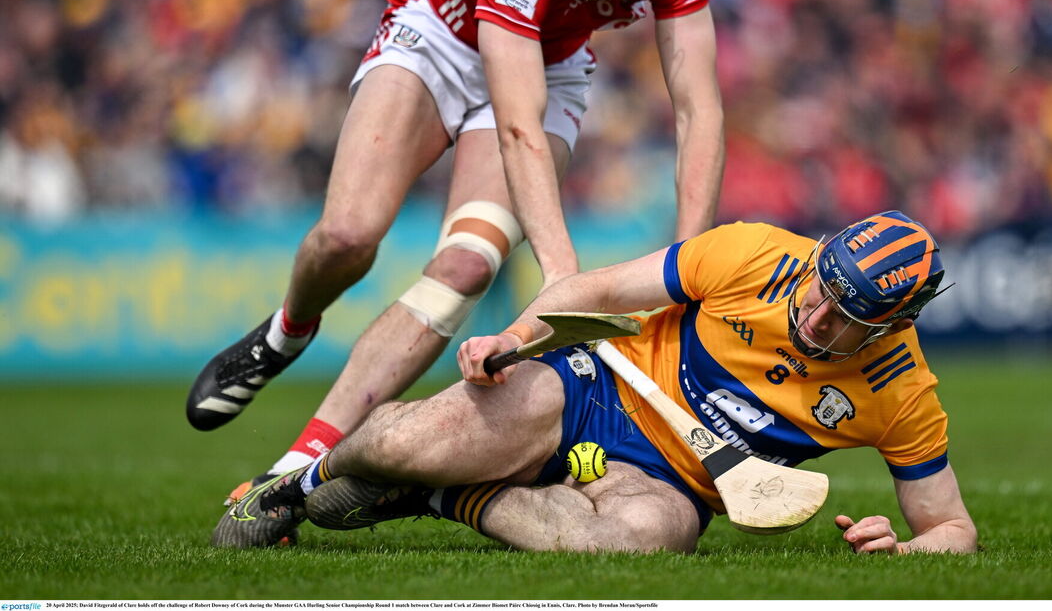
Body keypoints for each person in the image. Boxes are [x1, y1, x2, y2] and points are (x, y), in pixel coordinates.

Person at [185, 0, 725, 487]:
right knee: (348, 236)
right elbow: (519, 126)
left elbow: (700, 110)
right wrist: (561, 275)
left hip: (552, 64)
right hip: (440, 36)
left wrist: (687, 262)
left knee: (468, 266)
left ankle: (293, 470)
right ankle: (286, 333)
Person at [211, 211, 978, 555]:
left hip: (672, 485)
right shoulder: (755, 255)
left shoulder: (900, 391)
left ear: (891, 324)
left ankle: (442, 497)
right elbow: (603, 292)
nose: (816, 317)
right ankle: (302, 480)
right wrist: (514, 339)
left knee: (636, 546)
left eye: (846, 317)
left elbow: (954, 530)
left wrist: (904, 552)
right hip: (593, 388)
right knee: (410, 439)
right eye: (820, 289)